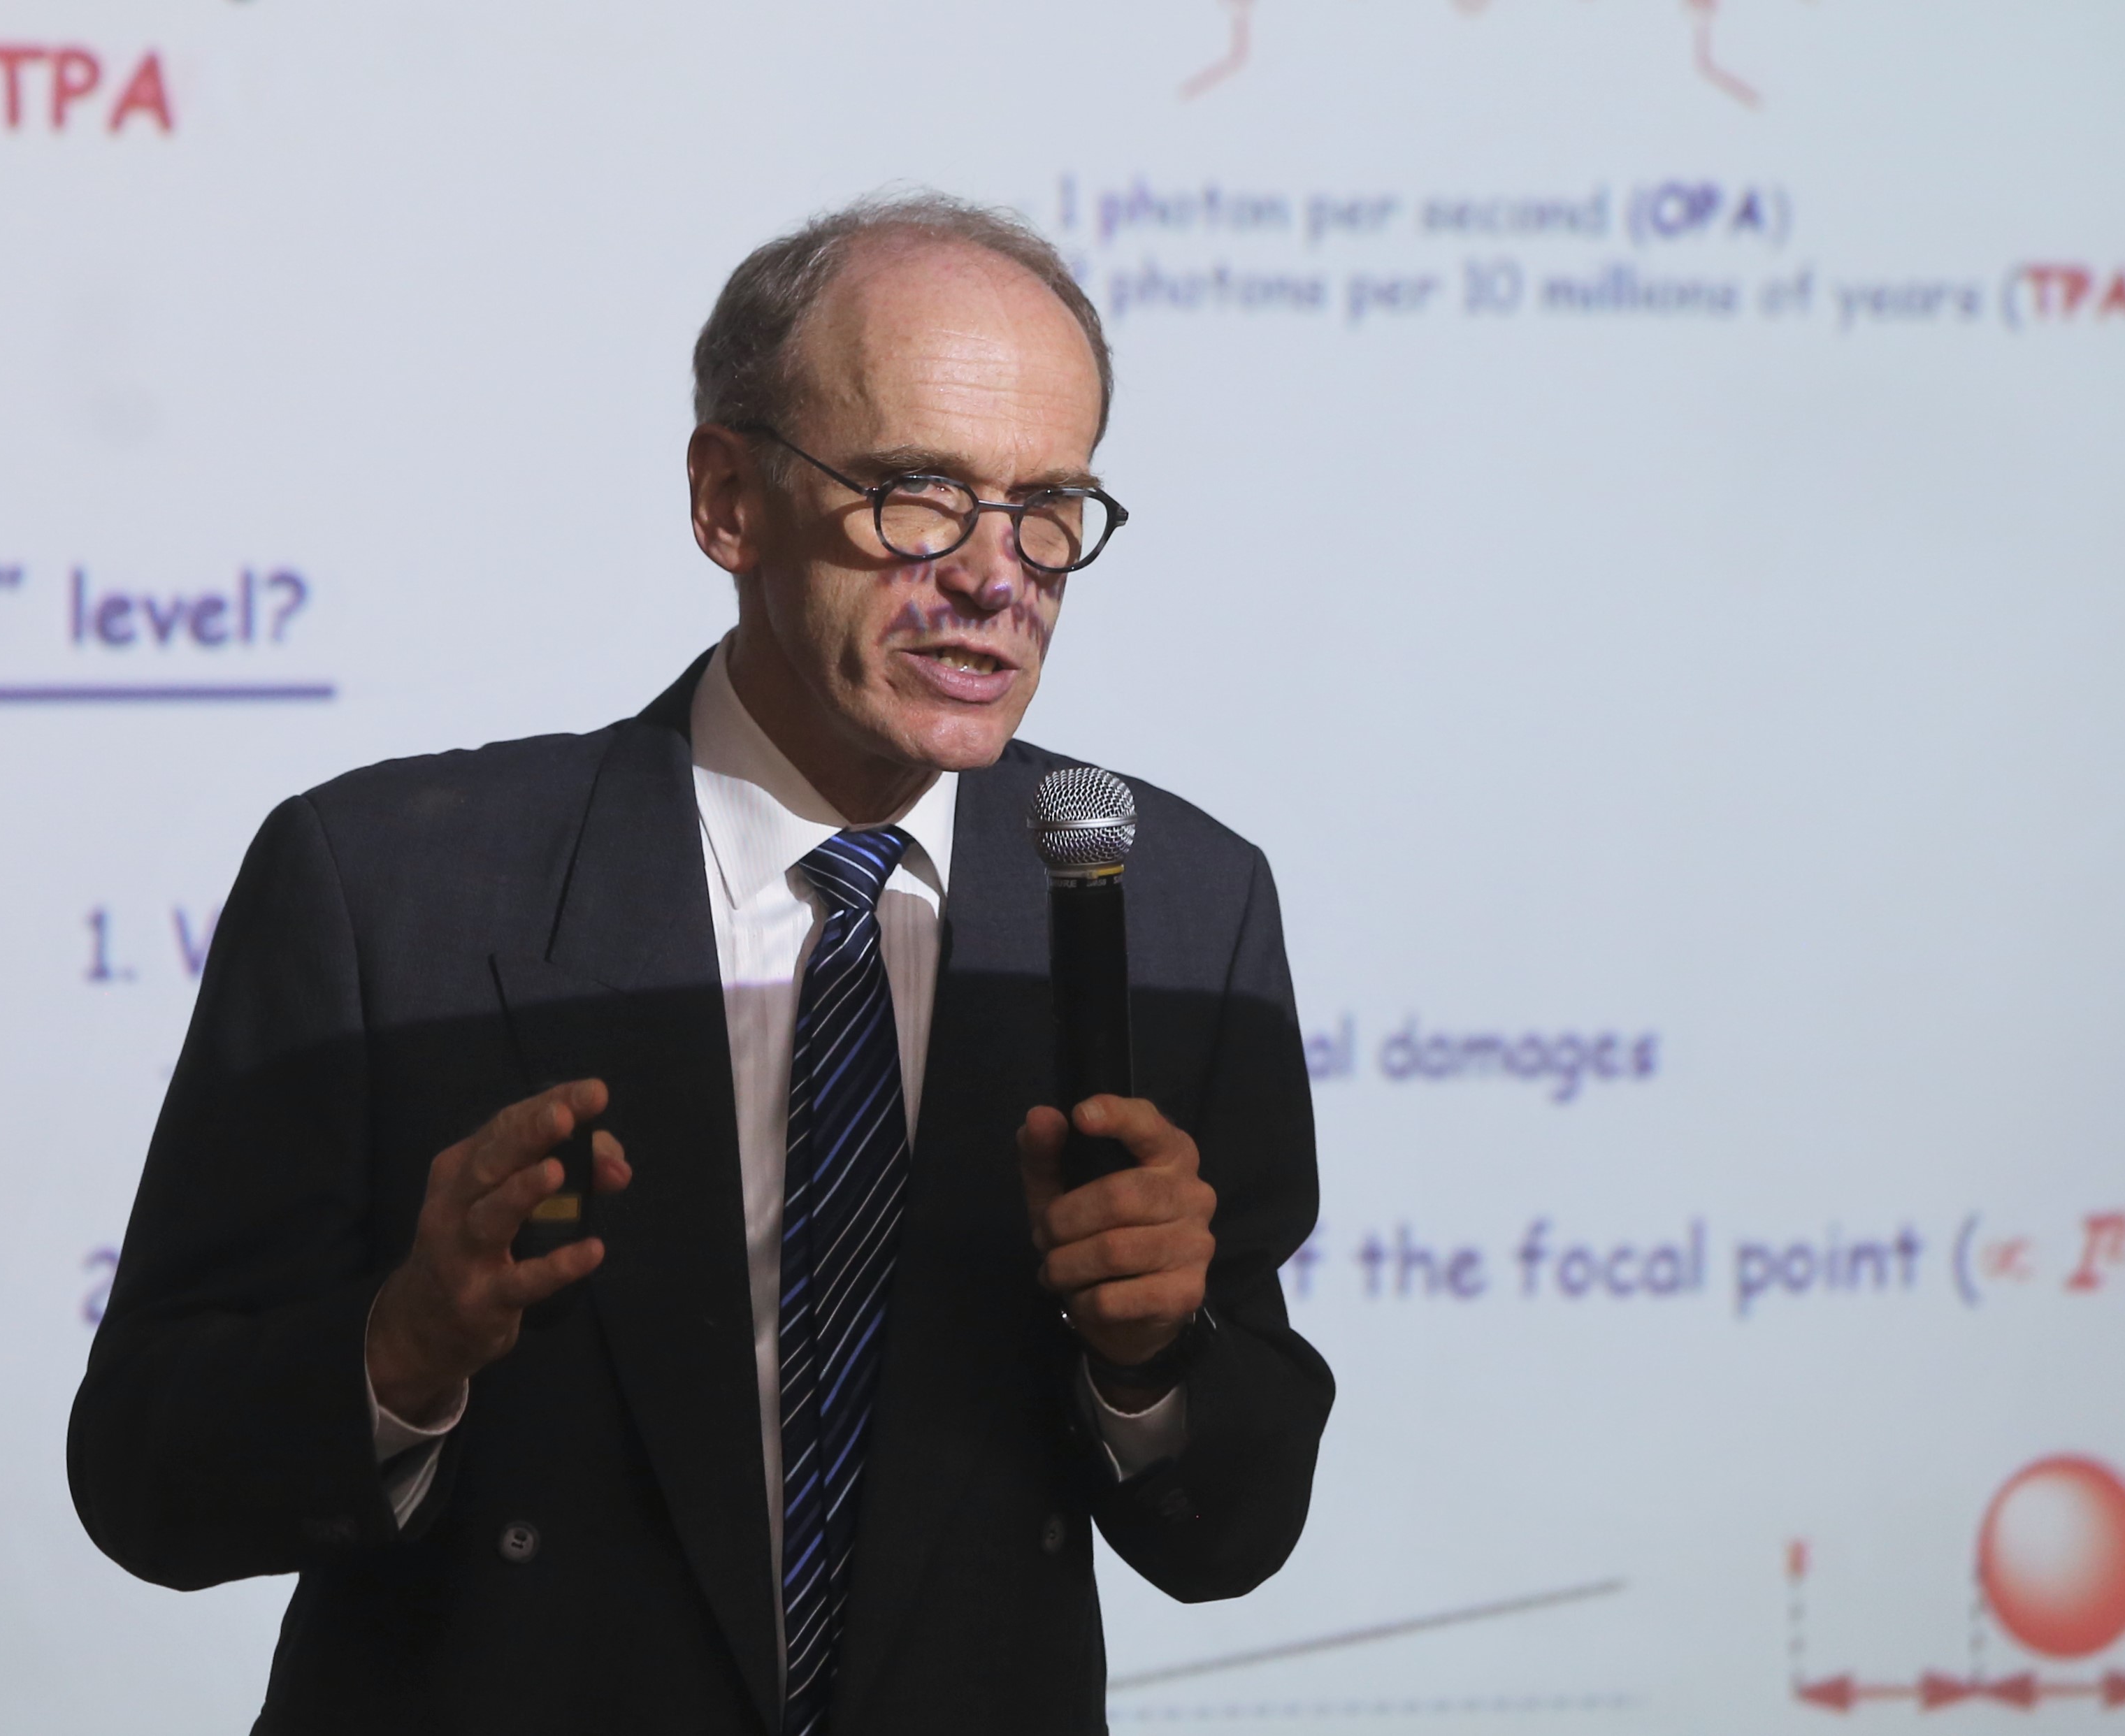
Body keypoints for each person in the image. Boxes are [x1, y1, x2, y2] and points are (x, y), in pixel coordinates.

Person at [69, 190, 1334, 1735]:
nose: (998, 576)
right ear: (728, 500)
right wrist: (400, 1349)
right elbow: (144, 1476)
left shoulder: (1177, 910)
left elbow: (1239, 1531)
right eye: (920, 493)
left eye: (1049, 506)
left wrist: (1147, 1365)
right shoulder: (385, 889)